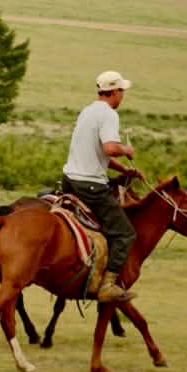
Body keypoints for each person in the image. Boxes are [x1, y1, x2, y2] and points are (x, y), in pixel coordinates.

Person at [61, 70, 142, 303]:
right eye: (122, 91)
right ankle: (107, 285)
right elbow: (109, 148)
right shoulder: (108, 115)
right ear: (114, 91)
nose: (122, 95)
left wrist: (123, 171)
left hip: (70, 180)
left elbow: (97, 152)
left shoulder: (87, 111)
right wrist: (126, 150)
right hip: (91, 186)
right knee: (125, 233)